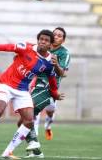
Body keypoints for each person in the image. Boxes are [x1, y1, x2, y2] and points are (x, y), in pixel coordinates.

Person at [0, 29, 64, 159]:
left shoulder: (49, 62)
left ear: (51, 45)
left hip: (23, 91)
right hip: (6, 84)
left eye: (46, 40)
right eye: (41, 39)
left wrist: (55, 94)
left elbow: (52, 80)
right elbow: (1, 47)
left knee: (29, 121)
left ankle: (7, 152)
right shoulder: (25, 47)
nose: (42, 42)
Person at [21, 27, 71, 158]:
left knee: (47, 111)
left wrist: (56, 65)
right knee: (29, 115)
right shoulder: (44, 47)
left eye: (60, 35)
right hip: (37, 85)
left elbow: (63, 74)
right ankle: (35, 147)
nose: (56, 37)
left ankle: (48, 126)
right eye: (55, 34)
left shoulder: (64, 53)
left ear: (63, 40)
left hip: (50, 89)